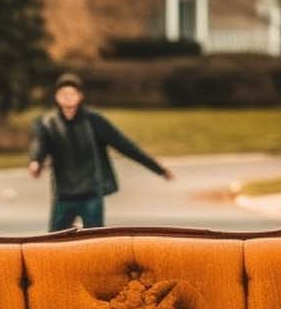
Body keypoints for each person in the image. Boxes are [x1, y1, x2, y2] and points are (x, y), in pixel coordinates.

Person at [28, 72, 173, 231]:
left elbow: (125, 146)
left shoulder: (94, 121)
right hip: (63, 195)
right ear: (56, 97)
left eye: (72, 93)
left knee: (94, 243)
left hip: (91, 195)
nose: (68, 97)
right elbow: (39, 145)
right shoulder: (49, 123)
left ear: (80, 96)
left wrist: (158, 169)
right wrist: (35, 162)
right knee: (54, 244)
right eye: (63, 94)